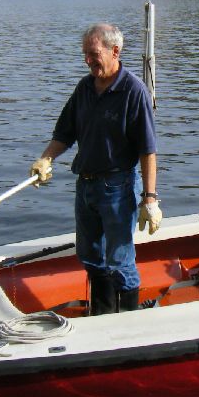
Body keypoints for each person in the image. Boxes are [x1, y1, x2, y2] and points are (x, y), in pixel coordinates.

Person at [30, 22, 161, 314]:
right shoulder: (84, 88)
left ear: (115, 51)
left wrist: (150, 199)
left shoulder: (134, 91)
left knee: (120, 260)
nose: (88, 60)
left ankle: (127, 318)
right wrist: (46, 158)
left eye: (93, 54)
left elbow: (147, 150)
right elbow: (65, 133)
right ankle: (102, 315)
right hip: (86, 185)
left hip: (118, 188)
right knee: (90, 256)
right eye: (85, 54)